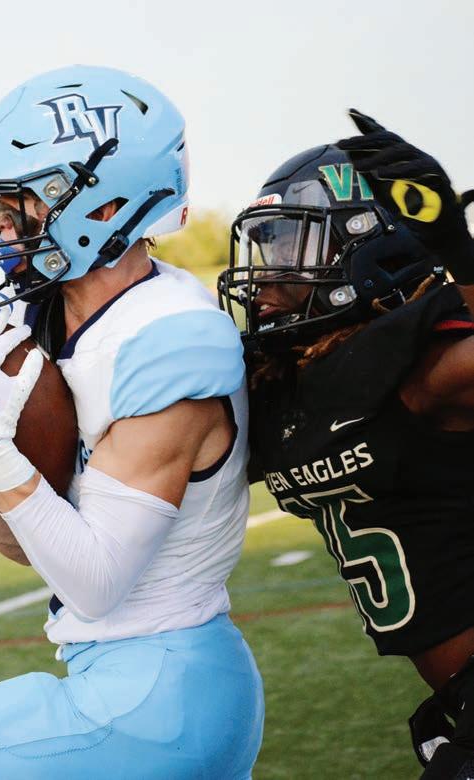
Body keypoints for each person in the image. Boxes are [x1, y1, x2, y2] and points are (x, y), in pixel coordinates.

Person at [0, 65, 264, 779]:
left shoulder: (171, 340)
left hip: (158, 697)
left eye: (19, 202)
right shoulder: (48, 317)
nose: (0, 226)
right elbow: (33, 548)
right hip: (119, 680)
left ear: (102, 203)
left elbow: (95, 581)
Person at [218, 109, 474, 779]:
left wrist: (460, 252)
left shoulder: (427, 366)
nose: (264, 276)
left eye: (289, 247)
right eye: (265, 247)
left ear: (369, 246)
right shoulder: (290, 381)